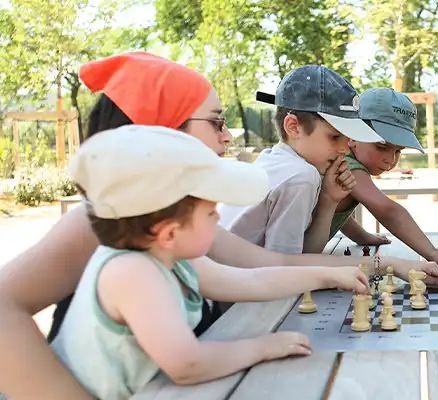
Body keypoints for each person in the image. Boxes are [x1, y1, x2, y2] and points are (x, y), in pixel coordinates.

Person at [0, 52, 438, 400]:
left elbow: (265, 265)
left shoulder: (172, 220)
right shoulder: (98, 223)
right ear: (159, 130)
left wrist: (382, 264)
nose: (226, 136)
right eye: (216, 122)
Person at [53, 125, 371, 399]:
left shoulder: (170, 259)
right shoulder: (132, 273)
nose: (218, 217)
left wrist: (329, 275)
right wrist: (264, 347)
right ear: (168, 232)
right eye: (210, 213)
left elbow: (252, 280)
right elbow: (187, 365)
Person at [218, 65, 385, 256]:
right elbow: (285, 269)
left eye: (347, 139)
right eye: (335, 137)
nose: (345, 149)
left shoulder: (274, 160)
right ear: (293, 127)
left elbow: (298, 258)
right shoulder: (301, 176)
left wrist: (329, 201)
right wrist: (383, 266)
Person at [327, 88, 438, 265]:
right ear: (353, 134)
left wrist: (363, 237)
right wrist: (432, 252)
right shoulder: (346, 165)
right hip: (293, 261)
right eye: (381, 147)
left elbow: (337, 211)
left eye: (398, 151)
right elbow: (388, 211)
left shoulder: (347, 161)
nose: (390, 159)